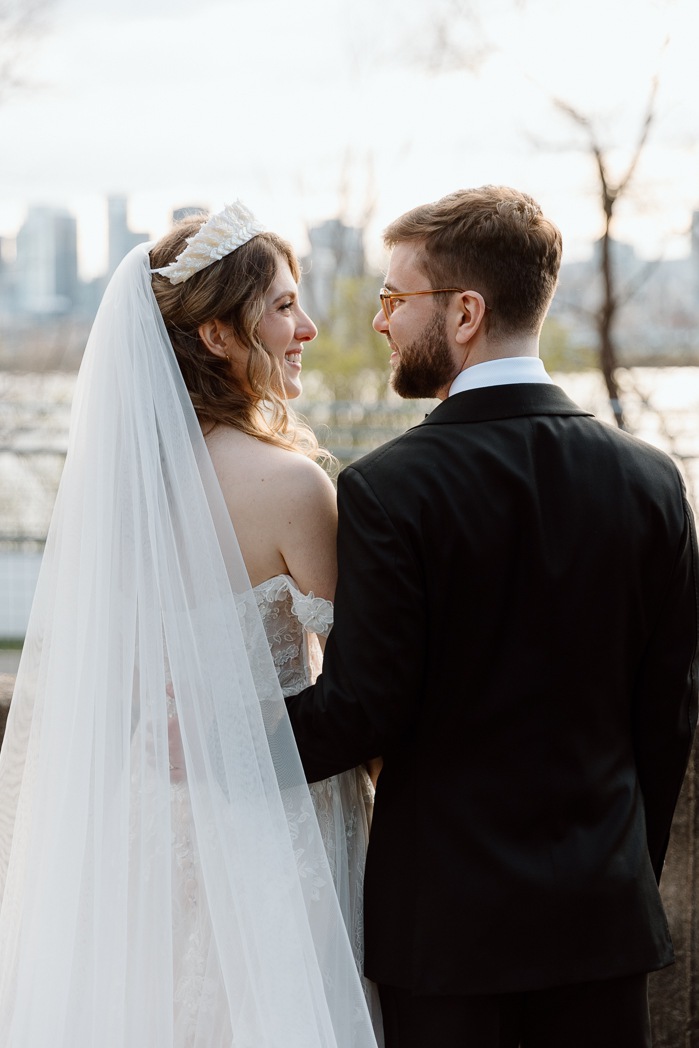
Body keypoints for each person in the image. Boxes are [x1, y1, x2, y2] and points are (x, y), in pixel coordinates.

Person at [285, 185, 699, 1048]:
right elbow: (665, 722)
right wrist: (621, 878)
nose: (381, 323)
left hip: (444, 939)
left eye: (395, 298)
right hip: (601, 924)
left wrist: (213, 734)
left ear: (464, 312)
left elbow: (363, 710)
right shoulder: (654, 481)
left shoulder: (387, 489)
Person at [0, 202, 380, 1047]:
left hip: (145, 813)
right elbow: (359, 688)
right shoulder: (291, 488)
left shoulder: (113, 493)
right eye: (282, 306)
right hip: (279, 814)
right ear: (216, 335)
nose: (308, 327)